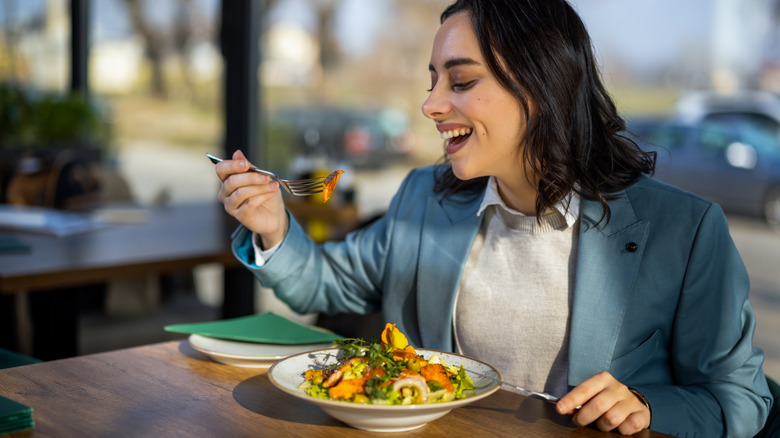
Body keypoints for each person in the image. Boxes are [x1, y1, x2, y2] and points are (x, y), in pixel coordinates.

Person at [214, 0, 772, 436]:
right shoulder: (422, 199)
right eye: (432, 80)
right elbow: (331, 282)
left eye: (460, 81)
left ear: (540, 85)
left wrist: (648, 406)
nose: (431, 105)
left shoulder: (687, 230)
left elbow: (740, 399)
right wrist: (273, 225)